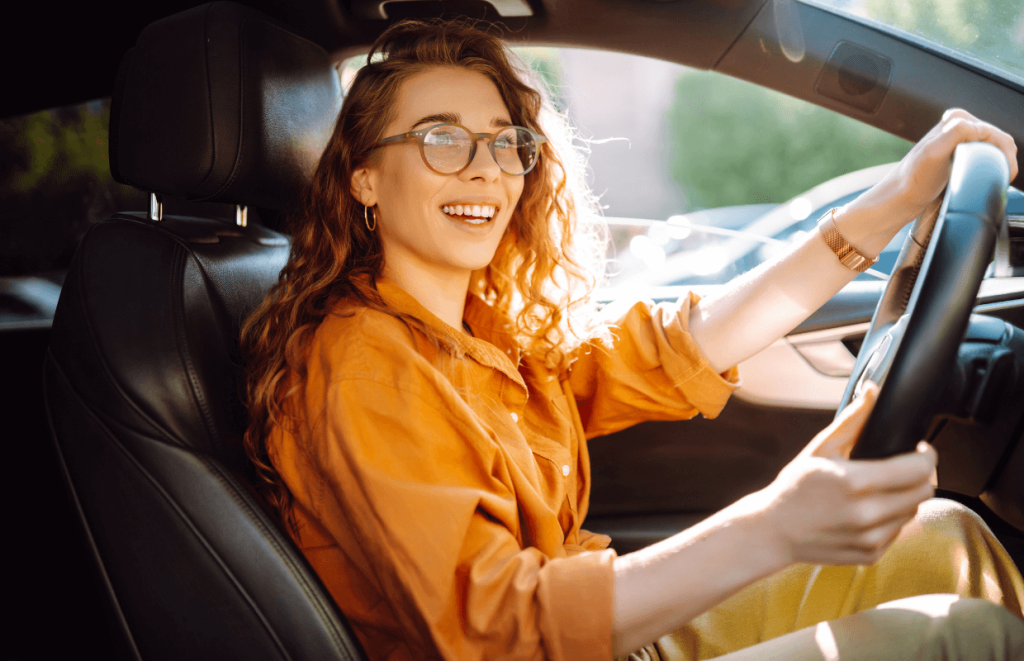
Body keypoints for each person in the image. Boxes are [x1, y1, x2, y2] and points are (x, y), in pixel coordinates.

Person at [240, 17, 1024, 661]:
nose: (486, 172)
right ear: (365, 178)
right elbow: (496, 634)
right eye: (442, 141)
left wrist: (895, 196)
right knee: (968, 638)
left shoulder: (484, 332)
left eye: (504, 142)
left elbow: (689, 343)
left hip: (612, 637)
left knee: (949, 538)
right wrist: (774, 523)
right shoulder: (362, 365)